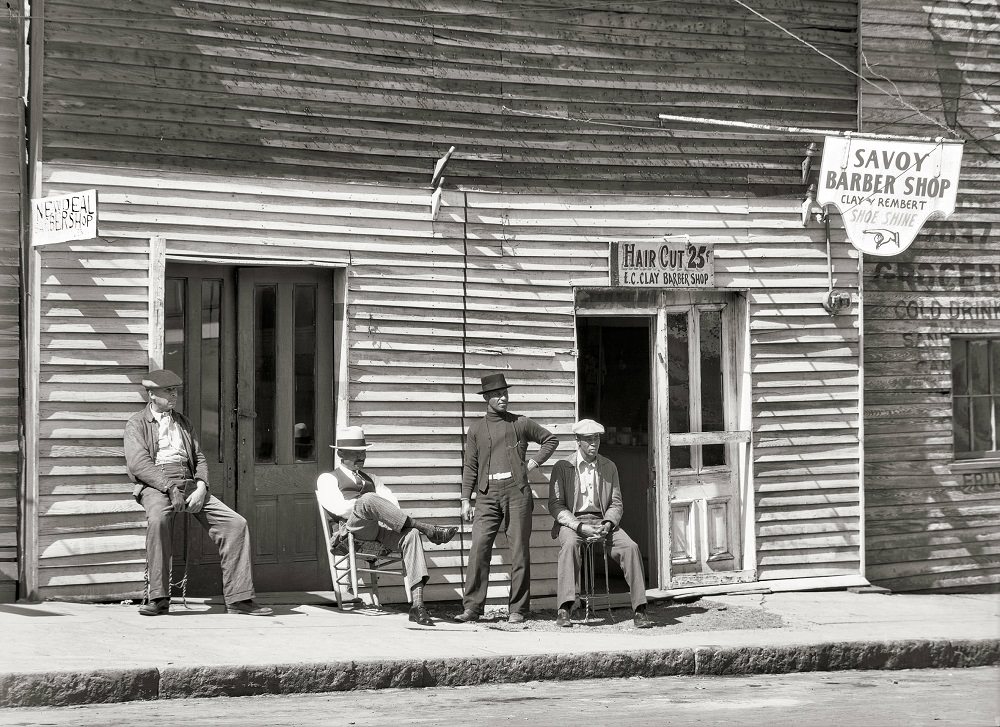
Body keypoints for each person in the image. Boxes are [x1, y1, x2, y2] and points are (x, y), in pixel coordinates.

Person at [124, 369, 272, 617]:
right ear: (151, 394)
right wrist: (169, 488)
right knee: (158, 520)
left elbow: (199, 457)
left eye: (175, 391)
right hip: (156, 485)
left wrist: (202, 486)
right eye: (168, 391)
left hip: (189, 482)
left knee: (235, 524)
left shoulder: (183, 422)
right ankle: (158, 597)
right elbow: (138, 463)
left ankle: (239, 599)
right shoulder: (136, 423)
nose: (174, 396)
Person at [316, 425, 458, 625]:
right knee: (368, 500)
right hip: (348, 532)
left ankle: (417, 606)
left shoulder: (372, 479)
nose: (361, 457)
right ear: (341, 453)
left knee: (411, 535)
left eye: (363, 452)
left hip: (376, 532)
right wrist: (369, 506)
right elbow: (339, 508)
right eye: (355, 453)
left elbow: (393, 505)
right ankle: (428, 529)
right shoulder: (328, 478)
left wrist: (377, 509)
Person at [455, 373, 558, 624]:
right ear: (487, 398)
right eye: (497, 395)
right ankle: (472, 608)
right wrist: (465, 500)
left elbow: (550, 439)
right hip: (486, 495)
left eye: (505, 394)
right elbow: (470, 466)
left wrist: (531, 463)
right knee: (479, 549)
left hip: (517, 493)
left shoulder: (520, 423)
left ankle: (518, 610)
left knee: (519, 552)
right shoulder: (476, 429)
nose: (503, 398)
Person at [548, 418, 652, 628]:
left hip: (602, 521)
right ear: (578, 441)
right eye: (588, 439)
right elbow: (556, 505)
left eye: (596, 438)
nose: (593, 443)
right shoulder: (563, 466)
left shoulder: (608, 466)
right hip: (573, 522)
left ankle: (640, 610)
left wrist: (608, 524)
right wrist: (579, 526)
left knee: (631, 547)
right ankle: (565, 608)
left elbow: (616, 503)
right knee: (569, 546)